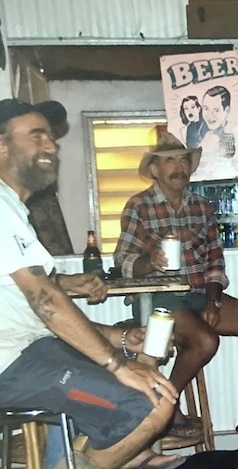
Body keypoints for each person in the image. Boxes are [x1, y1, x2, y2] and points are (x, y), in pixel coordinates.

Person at [0, 98, 183, 469]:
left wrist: (118, 338)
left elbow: (28, 304)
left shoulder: (14, 208)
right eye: (36, 136)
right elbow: (44, 300)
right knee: (153, 401)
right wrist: (118, 364)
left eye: (50, 137)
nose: (50, 145)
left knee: (138, 376)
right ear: (2, 145)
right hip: (10, 365)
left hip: (30, 350)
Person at [113, 133, 238, 438]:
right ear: (154, 169)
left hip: (199, 294)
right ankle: (165, 406)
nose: (179, 168)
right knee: (205, 341)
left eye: (183, 161)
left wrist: (213, 300)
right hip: (159, 300)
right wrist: (149, 262)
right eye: (170, 161)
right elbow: (123, 261)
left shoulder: (201, 206)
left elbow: (215, 260)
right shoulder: (138, 206)